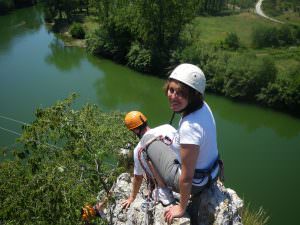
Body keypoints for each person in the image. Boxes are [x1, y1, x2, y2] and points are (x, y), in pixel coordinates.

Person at [159, 63, 221, 224]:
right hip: (212, 173)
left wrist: (181, 208)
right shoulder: (203, 107)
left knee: (147, 145)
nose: (173, 96)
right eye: (171, 90)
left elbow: (186, 178)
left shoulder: (189, 127)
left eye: (181, 93)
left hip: (196, 184)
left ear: (192, 96)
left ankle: (162, 191)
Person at [121, 111, 178, 209]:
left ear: (135, 130)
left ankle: (163, 191)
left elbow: (138, 178)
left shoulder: (139, 149)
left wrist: (132, 197)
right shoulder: (167, 128)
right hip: (186, 171)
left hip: (172, 184)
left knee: (145, 157)